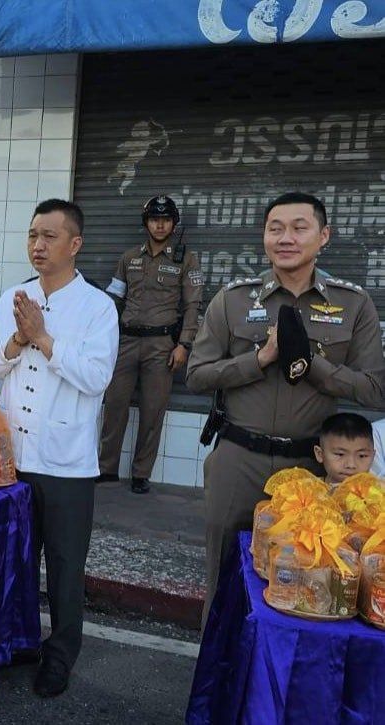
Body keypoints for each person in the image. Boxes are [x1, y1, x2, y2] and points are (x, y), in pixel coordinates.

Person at [187, 191, 385, 625]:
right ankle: (217, 666)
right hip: (238, 460)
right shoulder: (234, 300)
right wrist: (260, 359)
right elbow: (197, 375)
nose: (286, 238)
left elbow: (374, 389)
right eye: (275, 228)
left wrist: (311, 364)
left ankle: (282, 668)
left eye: (299, 228)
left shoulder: (353, 305)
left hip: (311, 470)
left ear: (324, 236)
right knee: (223, 580)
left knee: (307, 585)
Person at [0, 198, 118, 698]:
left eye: (49, 236)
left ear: (74, 244)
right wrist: (18, 341)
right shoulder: (12, 296)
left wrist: (43, 337)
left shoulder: (97, 306)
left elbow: (96, 377)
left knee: (63, 564)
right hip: (11, 456)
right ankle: (19, 641)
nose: (38, 245)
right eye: (33, 235)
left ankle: (60, 655)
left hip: (67, 461)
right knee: (15, 558)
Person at [98, 195, 204, 493]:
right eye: (155, 219)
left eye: (166, 219)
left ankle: (140, 474)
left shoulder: (186, 259)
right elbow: (113, 300)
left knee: (152, 410)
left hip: (162, 345)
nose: (160, 225)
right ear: (146, 223)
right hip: (126, 342)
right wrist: (103, 338)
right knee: (114, 405)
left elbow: (192, 306)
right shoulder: (129, 257)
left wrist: (184, 345)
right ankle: (106, 469)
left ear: (174, 224)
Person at [313, 413, 375, 488]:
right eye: (340, 454)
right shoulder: (306, 489)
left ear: (373, 456)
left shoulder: (380, 492)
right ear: (320, 454)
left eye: (361, 456)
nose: (351, 465)